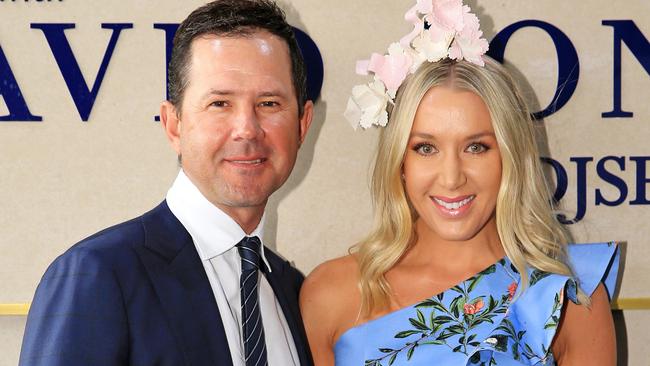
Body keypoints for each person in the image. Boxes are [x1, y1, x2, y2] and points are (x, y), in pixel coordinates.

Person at [300, 1, 619, 365]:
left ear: (510, 157)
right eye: (425, 147)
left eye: (476, 147)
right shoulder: (331, 294)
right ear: (400, 161)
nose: (452, 177)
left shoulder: (567, 300)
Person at [19, 1, 314, 365]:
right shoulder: (98, 273)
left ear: (302, 123)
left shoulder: (294, 289)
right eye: (220, 103)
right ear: (173, 125)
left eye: (269, 103)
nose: (247, 129)